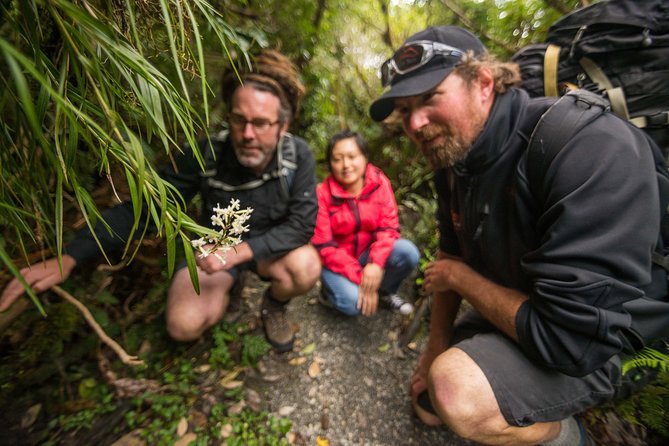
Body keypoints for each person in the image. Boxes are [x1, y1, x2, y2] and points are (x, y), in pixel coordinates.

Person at [369, 25, 669, 446]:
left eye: (430, 98)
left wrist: (461, 279)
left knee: (457, 391)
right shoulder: (455, 161)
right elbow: (451, 249)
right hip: (535, 304)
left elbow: (569, 343)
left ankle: (572, 437)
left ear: (485, 83)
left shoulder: (583, 144)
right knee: (429, 405)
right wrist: (435, 344)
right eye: (404, 110)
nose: (415, 123)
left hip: (608, 341)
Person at [0, 49, 321, 353]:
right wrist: (71, 255)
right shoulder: (206, 153)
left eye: (261, 123)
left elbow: (301, 225)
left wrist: (240, 253)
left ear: (282, 126)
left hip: (267, 248)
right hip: (214, 251)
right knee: (183, 326)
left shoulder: (297, 156)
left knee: (305, 268)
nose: (248, 134)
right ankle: (229, 290)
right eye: (239, 120)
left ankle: (274, 305)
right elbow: (149, 209)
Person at [311, 130, 419, 317]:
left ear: (365, 157)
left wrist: (375, 265)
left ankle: (384, 292)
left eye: (352, 156)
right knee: (353, 305)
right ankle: (328, 293)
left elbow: (388, 228)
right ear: (330, 164)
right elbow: (324, 246)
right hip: (337, 263)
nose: (346, 165)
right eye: (337, 159)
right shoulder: (322, 194)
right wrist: (362, 278)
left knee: (408, 252)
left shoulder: (379, 183)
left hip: (366, 256)